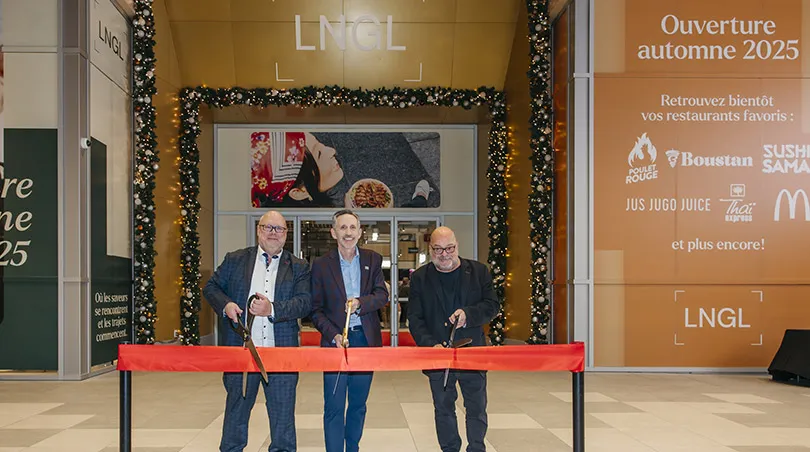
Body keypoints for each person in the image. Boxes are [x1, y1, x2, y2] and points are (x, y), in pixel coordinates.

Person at [203, 211, 312, 452]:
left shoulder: (299, 267)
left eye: (279, 229)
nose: (273, 233)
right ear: (258, 230)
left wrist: (271, 308)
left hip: (281, 354)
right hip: (241, 353)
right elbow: (211, 287)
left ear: (286, 234)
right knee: (236, 414)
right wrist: (226, 305)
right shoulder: (235, 259)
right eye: (268, 227)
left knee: (283, 418)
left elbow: (305, 302)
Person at [407, 226, 499, 452]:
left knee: (476, 407)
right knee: (443, 407)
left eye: (449, 248)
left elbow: (492, 306)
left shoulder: (479, 271)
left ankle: (476, 447)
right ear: (430, 249)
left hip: (472, 351)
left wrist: (469, 315)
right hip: (438, 354)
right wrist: (431, 345)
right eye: (438, 249)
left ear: (457, 246)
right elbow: (415, 318)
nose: (444, 254)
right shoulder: (420, 277)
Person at [310, 209, 389, 452]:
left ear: (360, 232)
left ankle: (352, 448)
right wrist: (333, 333)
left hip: (365, 341)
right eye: (343, 228)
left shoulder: (373, 260)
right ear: (334, 232)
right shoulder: (321, 266)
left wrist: (361, 303)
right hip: (335, 342)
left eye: (352, 227)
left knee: (358, 404)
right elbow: (315, 310)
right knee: (333, 405)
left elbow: (382, 295)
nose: (348, 232)